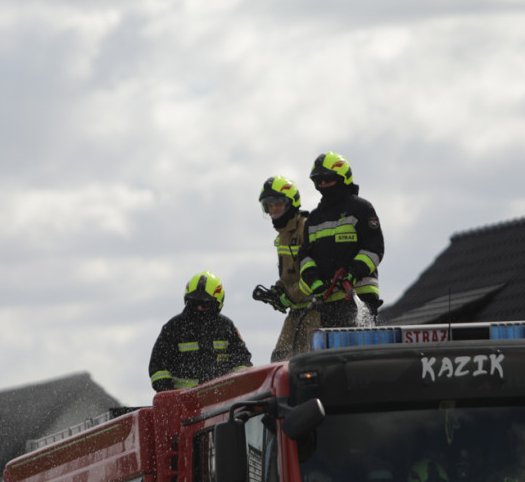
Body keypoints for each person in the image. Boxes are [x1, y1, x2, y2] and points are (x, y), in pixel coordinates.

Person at [297, 152, 384, 328]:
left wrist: (353, 273)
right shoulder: (314, 219)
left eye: (327, 179)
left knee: (360, 350)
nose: (322, 184)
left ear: (343, 178)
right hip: (328, 302)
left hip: (360, 294)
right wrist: (315, 281)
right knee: (332, 353)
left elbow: (374, 249)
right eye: (318, 181)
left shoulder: (361, 208)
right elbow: (305, 257)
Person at [148, 271, 252, 392]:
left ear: (217, 303)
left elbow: (242, 361)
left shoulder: (226, 327)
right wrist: (170, 395)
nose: (199, 307)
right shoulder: (174, 328)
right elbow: (158, 368)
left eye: (205, 303)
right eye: (194, 302)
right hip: (184, 403)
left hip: (224, 401)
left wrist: (236, 388)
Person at [255, 175, 320, 361]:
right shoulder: (282, 235)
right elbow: (290, 273)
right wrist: (278, 289)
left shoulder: (306, 228)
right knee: (279, 360)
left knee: (308, 361)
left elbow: (313, 277)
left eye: (278, 204)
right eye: (269, 205)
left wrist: (287, 297)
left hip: (315, 308)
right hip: (296, 309)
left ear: (291, 203)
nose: (273, 209)